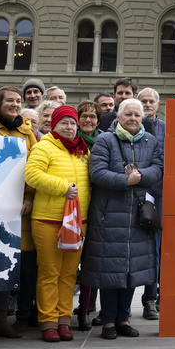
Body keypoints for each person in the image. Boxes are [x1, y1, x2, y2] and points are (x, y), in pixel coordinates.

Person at [85, 97, 163, 340]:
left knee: (132, 268)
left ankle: (124, 318)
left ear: (143, 119)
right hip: (109, 215)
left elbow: (160, 168)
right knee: (110, 268)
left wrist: (140, 176)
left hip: (139, 216)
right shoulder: (105, 140)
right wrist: (124, 180)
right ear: (118, 117)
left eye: (137, 115)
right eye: (128, 114)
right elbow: (97, 172)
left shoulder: (151, 141)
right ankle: (108, 320)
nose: (133, 119)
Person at [25, 105, 91, 343]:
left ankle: (64, 320)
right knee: (50, 273)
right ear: (54, 126)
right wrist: (63, 188)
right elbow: (32, 175)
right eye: (64, 123)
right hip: (48, 220)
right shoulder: (44, 146)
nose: (70, 127)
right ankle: (48, 322)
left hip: (77, 223)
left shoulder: (82, 151)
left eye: (73, 123)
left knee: (69, 274)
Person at [0, 86, 34, 339]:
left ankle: (0, 320)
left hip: (17, 209)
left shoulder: (27, 132)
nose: (14, 104)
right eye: (9, 100)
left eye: (18, 101)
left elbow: (34, 167)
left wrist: (28, 196)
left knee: (7, 262)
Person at [136, 88, 167, 321]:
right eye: (143, 101)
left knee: (157, 249)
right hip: (137, 192)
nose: (147, 104)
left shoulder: (168, 128)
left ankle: (151, 299)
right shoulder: (131, 125)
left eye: (150, 101)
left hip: (162, 194)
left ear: (158, 104)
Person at [74, 101, 103, 330]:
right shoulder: (70, 141)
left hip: (99, 208)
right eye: (83, 116)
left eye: (93, 117)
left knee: (92, 262)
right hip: (74, 206)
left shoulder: (105, 141)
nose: (88, 120)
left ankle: (85, 311)